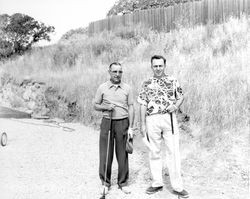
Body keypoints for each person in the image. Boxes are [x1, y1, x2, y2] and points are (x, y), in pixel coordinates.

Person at [137, 55, 189, 198]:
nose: (158, 68)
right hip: (151, 119)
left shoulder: (172, 81)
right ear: (151, 67)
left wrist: (176, 106)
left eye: (160, 66)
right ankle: (157, 183)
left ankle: (178, 187)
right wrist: (142, 125)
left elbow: (181, 96)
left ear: (164, 66)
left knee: (173, 152)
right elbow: (142, 104)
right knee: (154, 151)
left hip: (168, 118)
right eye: (155, 66)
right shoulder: (146, 83)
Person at [94, 62, 134, 195]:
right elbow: (95, 105)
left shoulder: (127, 88)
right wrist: (106, 107)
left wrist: (131, 127)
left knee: (123, 154)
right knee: (106, 153)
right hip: (107, 122)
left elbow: (131, 107)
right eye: (115, 71)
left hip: (123, 122)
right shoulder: (102, 87)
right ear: (109, 72)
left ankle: (122, 182)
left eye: (120, 72)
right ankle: (105, 183)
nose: (117, 74)